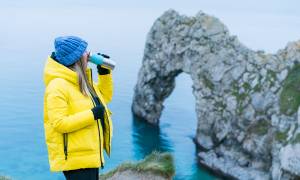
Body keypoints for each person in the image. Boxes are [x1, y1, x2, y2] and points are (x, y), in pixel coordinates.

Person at [43, 35, 114, 180]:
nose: (88, 54)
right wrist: (92, 115)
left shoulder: (82, 80)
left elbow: (104, 99)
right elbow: (59, 123)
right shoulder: (57, 86)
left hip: (89, 155)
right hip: (75, 159)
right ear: (76, 58)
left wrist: (104, 74)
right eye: (84, 51)